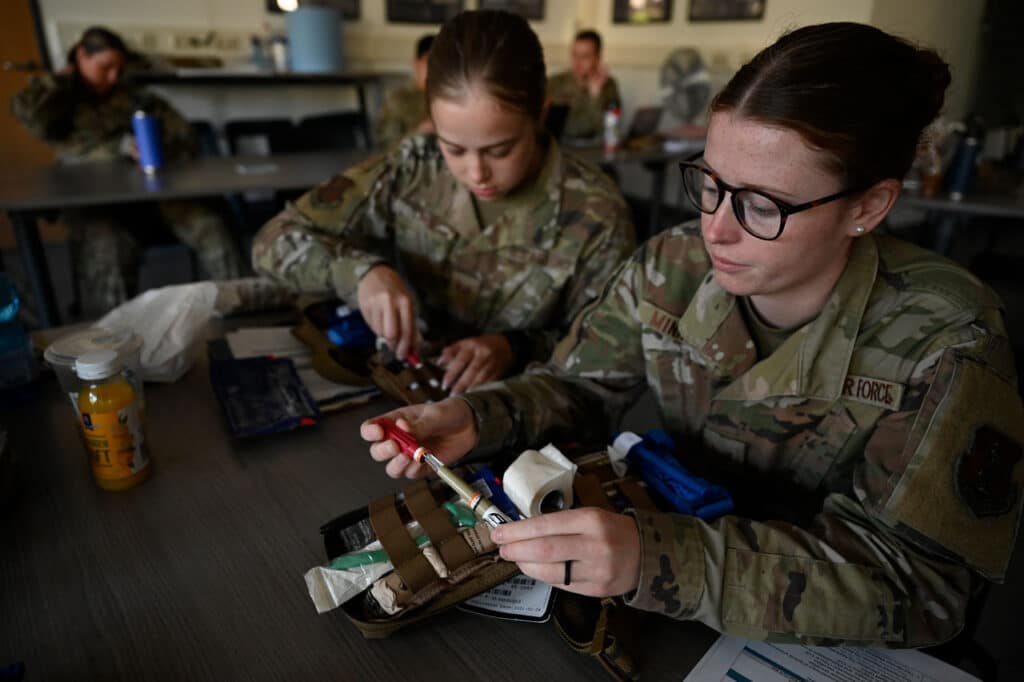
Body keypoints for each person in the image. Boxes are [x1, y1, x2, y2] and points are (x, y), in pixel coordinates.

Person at [362, 22, 1024, 648]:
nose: (716, 229)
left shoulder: (944, 338)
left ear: (869, 206)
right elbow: (580, 384)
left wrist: (659, 559)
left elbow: (923, 585)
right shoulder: (671, 267)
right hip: (673, 592)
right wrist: (477, 417)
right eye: (710, 184)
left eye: (762, 204)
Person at [252, 10, 635, 395]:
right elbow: (273, 241)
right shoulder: (413, 168)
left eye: (500, 150)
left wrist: (515, 347)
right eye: (453, 147)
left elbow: (605, 360)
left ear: (541, 114)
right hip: (399, 396)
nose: (476, 172)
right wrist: (360, 273)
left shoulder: (596, 213)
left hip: (524, 417)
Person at [10, 27, 242, 316]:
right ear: (81, 56)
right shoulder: (59, 102)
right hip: (98, 203)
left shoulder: (133, 98)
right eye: (105, 67)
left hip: (155, 198)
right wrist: (60, 80)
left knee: (212, 224)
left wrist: (154, 146)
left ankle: (243, 311)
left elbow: (184, 136)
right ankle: (110, 339)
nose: (112, 77)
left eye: (119, 69)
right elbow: (30, 117)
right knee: (105, 248)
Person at [546, 30, 621, 140]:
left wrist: (596, 93)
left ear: (597, 59)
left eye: (585, 56)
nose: (577, 61)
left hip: (595, 149)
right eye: (574, 55)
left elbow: (608, 129)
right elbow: (573, 130)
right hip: (563, 149)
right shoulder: (556, 83)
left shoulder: (609, 85)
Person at [374, 34, 435, 149]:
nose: (435, 67)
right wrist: (418, 133)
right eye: (429, 60)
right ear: (416, 64)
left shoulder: (451, 99)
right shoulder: (398, 100)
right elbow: (386, 143)